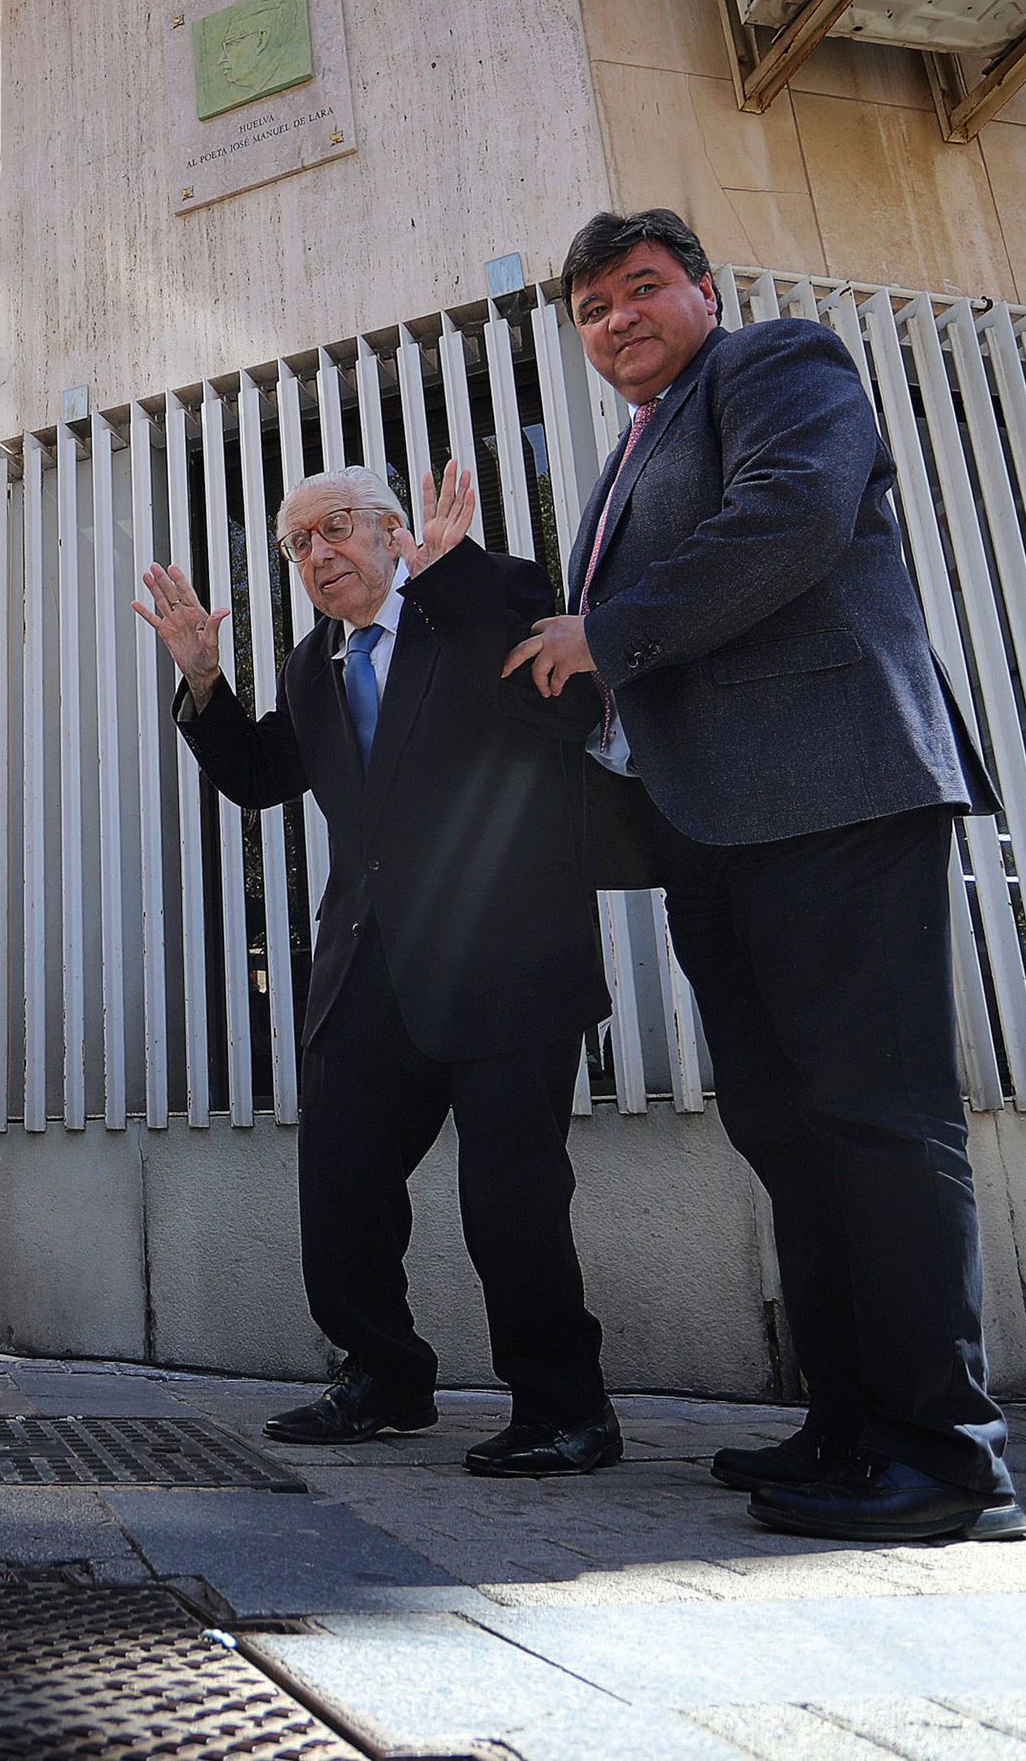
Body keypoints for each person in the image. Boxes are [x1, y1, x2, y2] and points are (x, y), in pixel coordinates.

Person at [416, 206, 1023, 1542]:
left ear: (702, 290)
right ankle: (854, 1422)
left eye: (642, 289)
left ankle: (949, 1456)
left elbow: (789, 521)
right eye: (592, 310)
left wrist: (609, 626)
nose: (618, 319)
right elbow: (592, 655)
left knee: (876, 1115)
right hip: (718, 828)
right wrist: (482, 601)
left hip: (837, 789)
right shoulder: (632, 451)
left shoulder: (776, 364)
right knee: (790, 1134)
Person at [134, 466, 620, 1477]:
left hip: (506, 957)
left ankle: (564, 1408)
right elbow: (263, 777)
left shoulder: (495, 594)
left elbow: (565, 715)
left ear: (398, 534)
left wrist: (459, 584)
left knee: (512, 1192)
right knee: (343, 1178)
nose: (316, 554)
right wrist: (203, 681)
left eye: (337, 529)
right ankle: (383, 1376)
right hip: (369, 965)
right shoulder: (318, 663)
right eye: (296, 543)